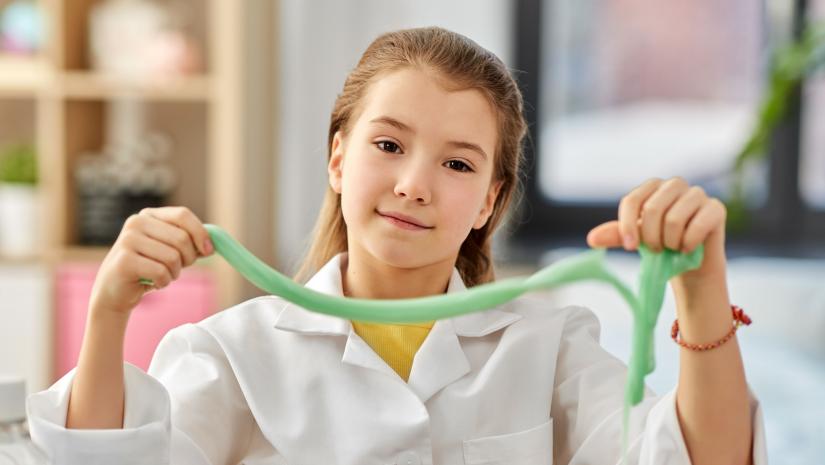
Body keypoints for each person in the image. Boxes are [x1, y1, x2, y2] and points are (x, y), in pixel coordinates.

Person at [27, 27, 766, 464]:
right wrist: (107, 315)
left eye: (457, 163)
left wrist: (701, 296)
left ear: (490, 201)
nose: (415, 184)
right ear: (338, 158)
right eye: (388, 144)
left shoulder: (550, 342)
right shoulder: (229, 352)